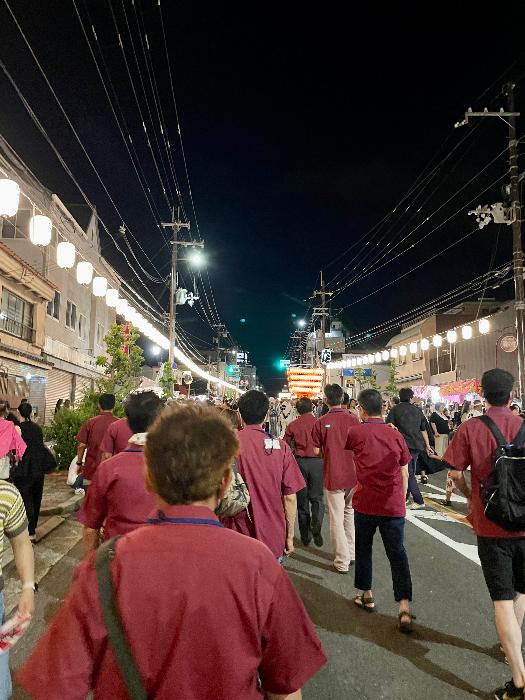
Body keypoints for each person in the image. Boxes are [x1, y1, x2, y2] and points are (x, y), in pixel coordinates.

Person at [18, 403, 327, 699]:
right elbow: (284, 688)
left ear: (150, 478)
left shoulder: (105, 566)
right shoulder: (259, 564)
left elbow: (55, 685)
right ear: (225, 484)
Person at [444, 369, 525, 700]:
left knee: (502, 598)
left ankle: (519, 680)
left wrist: (470, 496)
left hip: (491, 526)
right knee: (522, 591)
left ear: (482, 393)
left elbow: (453, 472)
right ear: (512, 393)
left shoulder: (470, 428)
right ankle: (512, 647)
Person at [346, 389, 415, 632]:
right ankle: (404, 605)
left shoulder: (355, 432)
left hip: (365, 502)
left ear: (362, 409)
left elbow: (349, 450)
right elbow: (405, 471)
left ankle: (367, 594)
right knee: (397, 553)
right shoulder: (395, 435)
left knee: (363, 550)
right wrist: (403, 498)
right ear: (384, 408)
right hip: (392, 504)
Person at [222, 390, 305, 561]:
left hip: (235, 534)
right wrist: (289, 536)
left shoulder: (225, 445)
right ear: (266, 415)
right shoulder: (280, 447)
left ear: (240, 415)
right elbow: (290, 497)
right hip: (272, 535)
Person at [78, 391, 163, 552]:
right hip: (160, 558)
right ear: (160, 420)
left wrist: (92, 565)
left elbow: (90, 528)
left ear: (128, 420)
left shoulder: (109, 468)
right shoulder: (175, 466)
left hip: (117, 556)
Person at [312, 384, 359, 574]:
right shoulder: (354, 419)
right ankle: (352, 553)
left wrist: (327, 451)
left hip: (334, 473)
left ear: (325, 400)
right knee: (349, 513)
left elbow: (315, 450)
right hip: (354, 473)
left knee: (336, 518)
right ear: (342, 399)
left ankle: (341, 560)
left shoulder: (322, 421)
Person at [284, 397, 324, 547]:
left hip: (299, 463)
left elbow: (286, 446)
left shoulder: (293, 425)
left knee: (302, 501)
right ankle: (317, 523)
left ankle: (306, 536)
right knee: (317, 498)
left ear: (297, 410)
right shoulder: (319, 423)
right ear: (312, 408)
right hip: (317, 463)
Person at [386, 388, 433, 509]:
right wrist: (427, 446)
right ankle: (406, 497)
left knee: (408, 472)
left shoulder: (395, 410)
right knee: (409, 471)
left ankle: (418, 500)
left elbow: (389, 427)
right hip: (417, 445)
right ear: (411, 398)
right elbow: (423, 429)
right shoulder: (418, 410)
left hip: (402, 445)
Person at [12, 403, 48, 542]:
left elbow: (15, 450)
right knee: (36, 498)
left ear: (18, 413)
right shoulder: (38, 428)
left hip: (24, 469)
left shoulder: (17, 429)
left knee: (25, 500)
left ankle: (28, 531)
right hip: (38, 468)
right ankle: (32, 531)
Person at [76, 394, 118, 485]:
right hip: (113, 472)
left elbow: (81, 446)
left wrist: (79, 463)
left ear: (99, 405)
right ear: (114, 405)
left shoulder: (91, 422)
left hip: (91, 470)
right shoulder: (119, 424)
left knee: (90, 497)